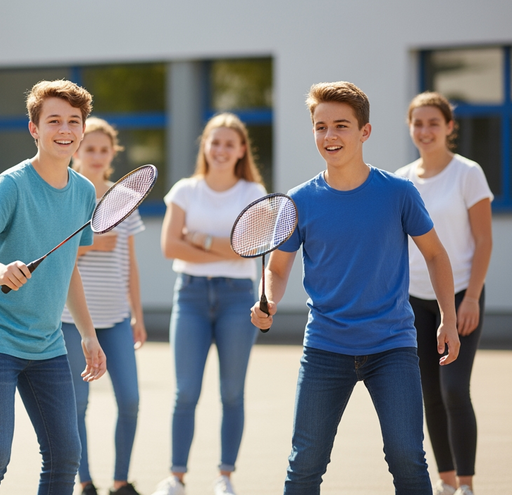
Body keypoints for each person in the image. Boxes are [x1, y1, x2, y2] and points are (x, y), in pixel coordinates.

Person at [250, 81, 461, 495]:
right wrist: (270, 299)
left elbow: (436, 255)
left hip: (392, 346)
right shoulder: (299, 201)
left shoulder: (398, 193)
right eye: (320, 127)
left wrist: (448, 319)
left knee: (407, 459)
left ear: (364, 132)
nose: (330, 136)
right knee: (305, 463)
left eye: (341, 126)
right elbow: (276, 268)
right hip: (325, 348)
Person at [0, 79, 107, 495]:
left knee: (64, 456)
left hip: (47, 343)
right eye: (53, 120)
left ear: (83, 129)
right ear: (34, 128)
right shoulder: (12, 184)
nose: (65, 130)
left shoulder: (85, 192)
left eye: (74, 121)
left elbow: (68, 267)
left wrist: (88, 335)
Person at [153, 113, 267, 495]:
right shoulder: (185, 190)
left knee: (232, 392)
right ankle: (177, 476)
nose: (220, 150)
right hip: (190, 296)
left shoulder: (253, 194)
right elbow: (170, 247)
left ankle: (225, 476)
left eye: (229, 144)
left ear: (241, 150)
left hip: (238, 299)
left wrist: (198, 240)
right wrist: (227, 248)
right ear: (205, 145)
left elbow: (250, 251)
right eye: (214, 142)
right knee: (185, 391)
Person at [395, 92, 493, 495]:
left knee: (454, 388)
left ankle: (467, 483)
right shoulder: (401, 180)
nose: (425, 130)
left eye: (434, 122)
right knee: (430, 393)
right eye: (418, 123)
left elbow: (484, 240)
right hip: (414, 301)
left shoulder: (468, 173)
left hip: (460, 295)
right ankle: (447, 482)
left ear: (449, 127)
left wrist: (471, 298)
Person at [62, 117, 146, 495]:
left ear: (114, 153)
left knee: (129, 400)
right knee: (77, 404)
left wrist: (137, 315)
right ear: (76, 150)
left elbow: (130, 263)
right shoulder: (66, 193)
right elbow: (56, 256)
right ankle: (84, 481)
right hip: (72, 323)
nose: (96, 156)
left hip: (116, 321)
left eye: (103, 149)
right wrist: (92, 242)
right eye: (89, 148)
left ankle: (120, 481)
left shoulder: (125, 198)